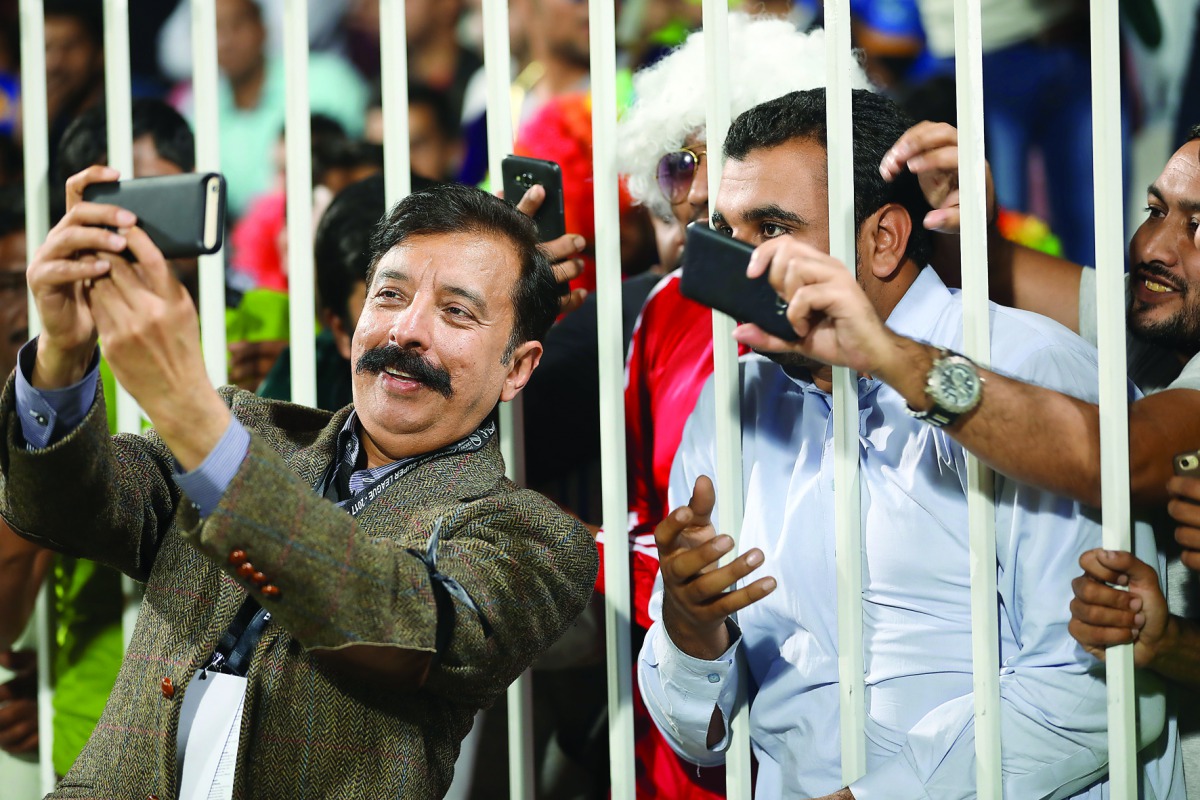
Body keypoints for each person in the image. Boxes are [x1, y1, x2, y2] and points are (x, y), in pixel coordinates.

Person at [643, 87, 1180, 799]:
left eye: (771, 229)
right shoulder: (732, 398)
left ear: (885, 239)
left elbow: (1098, 701)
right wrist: (688, 627)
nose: (740, 263)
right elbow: (697, 736)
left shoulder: (1025, 368)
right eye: (725, 231)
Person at [3, 176, 598, 797]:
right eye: (389, 296)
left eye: (456, 311)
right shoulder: (248, 428)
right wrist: (63, 354)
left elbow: (399, 627)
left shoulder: (533, 538)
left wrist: (188, 413)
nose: (407, 331)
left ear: (518, 366)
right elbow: (61, 508)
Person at [770, 118, 1200, 790]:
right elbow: (986, 277)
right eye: (1155, 211)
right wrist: (958, 218)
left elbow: (1121, 459)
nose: (1157, 245)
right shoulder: (1158, 311)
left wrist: (888, 354)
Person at [611, 16, 874, 797]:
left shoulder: (871, 315)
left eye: (714, 157)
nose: (691, 191)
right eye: (674, 163)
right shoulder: (662, 310)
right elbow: (641, 511)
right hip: (695, 709)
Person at [169, 0, 367, 217]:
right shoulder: (197, 112)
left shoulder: (328, 81)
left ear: (262, 28)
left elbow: (367, 162)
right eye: (214, 29)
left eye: (237, 25)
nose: (225, 41)